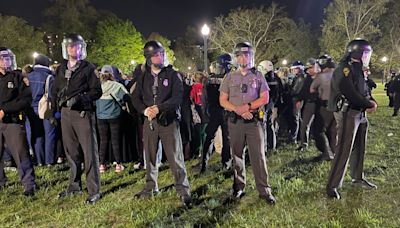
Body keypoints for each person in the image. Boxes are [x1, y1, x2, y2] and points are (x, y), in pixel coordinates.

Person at [132, 40, 191, 207]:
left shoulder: (173, 75)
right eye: (157, 54)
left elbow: (177, 98)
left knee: (175, 157)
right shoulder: (143, 77)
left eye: (162, 53)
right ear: (149, 57)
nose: (161, 57)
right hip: (150, 121)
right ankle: (151, 187)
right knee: (150, 156)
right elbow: (135, 98)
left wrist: (159, 108)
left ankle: (183, 189)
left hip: (168, 121)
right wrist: (145, 111)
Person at [219, 42, 275, 204]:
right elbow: (222, 100)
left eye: (247, 55)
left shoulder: (258, 76)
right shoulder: (229, 77)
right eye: (240, 55)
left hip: (254, 121)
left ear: (251, 56)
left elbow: (265, 98)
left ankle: (264, 190)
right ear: (236, 58)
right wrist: (238, 109)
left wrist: (248, 107)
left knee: (258, 156)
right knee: (236, 155)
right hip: (236, 121)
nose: (244, 58)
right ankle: (239, 187)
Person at [52, 34, 102, 204]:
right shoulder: (60, 68)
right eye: (71, 46)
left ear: (82, 48)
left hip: (82, 113)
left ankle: (94, 189)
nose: (75, 49)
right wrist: (54, 109)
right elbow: (56, 90)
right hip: (66, 114)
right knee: (71, 152)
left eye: (77, 46)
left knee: (89, 152)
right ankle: (74, 185)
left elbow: (97, 91)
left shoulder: (88, 68)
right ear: (66, 49)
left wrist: (81, 98)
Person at [326, 39, 378, 199]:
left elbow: (364, 89)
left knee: (360, 147)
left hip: (360, 113)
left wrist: (372, 100)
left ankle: (357, 178)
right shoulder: (344, 69)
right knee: (343, 149)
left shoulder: (359, 69)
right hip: (348, 112)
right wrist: (367, 103)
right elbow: (349, 92)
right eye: (364, 53)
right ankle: (332, 186)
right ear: (356, 53)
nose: (366, 56)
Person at [0, 47, 37, 196]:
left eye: (8, 57)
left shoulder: (18, 76)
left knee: (21, 154)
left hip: (13, 122)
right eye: (2, 57)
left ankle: (29, 185)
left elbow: (26, 100)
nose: (5, 60)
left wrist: (5, 110)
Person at [199, 54, 232, 173]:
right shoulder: (231, 78)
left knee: (211, 138)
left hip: (216, 112)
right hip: (223, 112)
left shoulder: (210, 79)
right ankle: (225, 163)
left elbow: (204, 98)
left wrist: (205, 112)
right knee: (225, 138)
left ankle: (204, 164)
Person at [96, 65, 129, 173]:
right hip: (114, 116)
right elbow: (126, 97)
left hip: (101, 117)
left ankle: (101, 164)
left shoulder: (97, 86)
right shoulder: (116, 85)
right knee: (115, 140)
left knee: (103, 140)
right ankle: (118, 164)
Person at [27, 54, 56, 166]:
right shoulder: (49, 76)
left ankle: (39, 160)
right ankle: (49, 161)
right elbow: (53, 94)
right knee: (49, 134)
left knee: (37, 134)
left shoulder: (29, 76)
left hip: (32, 108)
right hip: (46, 107)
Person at [310, 54, 336, 161]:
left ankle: (326, 153)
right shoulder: (338, 74)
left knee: (318, 129)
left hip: (325, 105)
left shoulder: (321, 76)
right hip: (338, 106)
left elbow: (312, 89)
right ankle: (335, 152)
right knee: (333, 131)